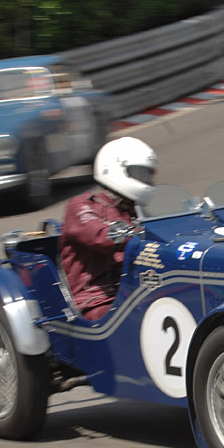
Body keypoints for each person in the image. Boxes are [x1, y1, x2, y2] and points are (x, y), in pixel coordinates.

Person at [59, 137, 157, 320]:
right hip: (97, 300)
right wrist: (128, 233)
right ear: (114, 168)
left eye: (147, 175)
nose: (145, 180)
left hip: (132, 293)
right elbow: (98, 235)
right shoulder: (81, 205)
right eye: (139, 174)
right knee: (140, 318)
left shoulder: (136, 211)